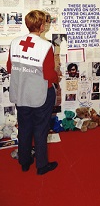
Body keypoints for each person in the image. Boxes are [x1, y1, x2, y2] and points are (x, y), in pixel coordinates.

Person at [6, 10, 59, 175]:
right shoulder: (45, 46)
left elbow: (9, 68)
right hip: (40, 95)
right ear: (42, 26)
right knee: (41, 130)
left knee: (24, 127)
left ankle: (24, 162)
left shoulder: (15, 42)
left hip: (21, 93)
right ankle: (42, 166)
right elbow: (49, 75)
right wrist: (57, 76)